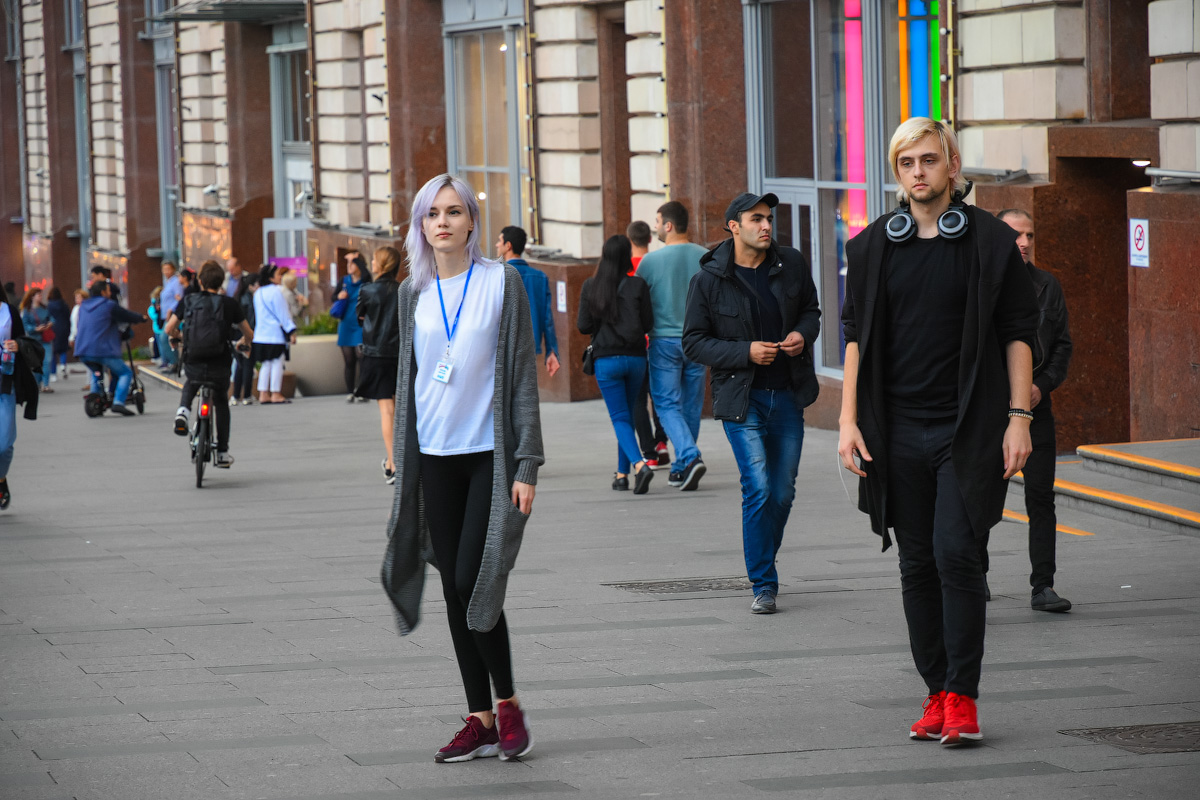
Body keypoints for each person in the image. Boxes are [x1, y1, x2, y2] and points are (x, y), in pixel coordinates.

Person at [837, 117, 1038, 747]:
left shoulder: (989, 243)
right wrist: (846, 419)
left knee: (957, 553)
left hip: (968, 430)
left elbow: (1017, 333)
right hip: (895, 431)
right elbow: (854, 339)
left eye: (929, 159)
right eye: (906, 163)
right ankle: (936, 691)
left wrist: (1019, 418)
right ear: (897, 174)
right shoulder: (872, 248)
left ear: (952, 164)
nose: (918, 172)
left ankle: (964, 695)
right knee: (917, 563)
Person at [380, 173, 542, 764]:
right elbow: (408, 381)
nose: (442, 222)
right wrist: (400, 456)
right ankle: (479, 717)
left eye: (454, 211)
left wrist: (527, 463)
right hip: (435, 460)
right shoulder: (412, 294)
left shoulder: (504, 284)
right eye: (431, 213)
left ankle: (510, 705)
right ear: (420, 226)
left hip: (489, 459)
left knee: (477, 578)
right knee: (452, 586)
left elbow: (522, 377)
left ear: (474, 222)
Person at [683, 192, 821, 614]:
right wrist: (745, 352)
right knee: (758, 487)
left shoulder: (791, 263)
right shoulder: (708, 279)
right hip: (742, 400)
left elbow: (812, 312)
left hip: (789, 394)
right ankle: (764, 582)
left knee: (781, 492)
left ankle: (764, 556)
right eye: (756, 219)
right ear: (733, 225)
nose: (766, 226)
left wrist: (802, 335)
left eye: (769, 219)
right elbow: (693, 342)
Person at [978, 209, 1073, 612]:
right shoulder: (981, 282)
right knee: (978, 494)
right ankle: (973, 574)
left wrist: (1040, 385)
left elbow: (1063, 346)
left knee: (1040, 498)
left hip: (1037, 409)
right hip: (988, 410)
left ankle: (1043, 586)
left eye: (1030, 234)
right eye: (1017, 234)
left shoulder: (1046, 285)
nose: (1025, 242)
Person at [637, 200, 709, 490]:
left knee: (667, 403)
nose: (655, 228)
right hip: (699, 340)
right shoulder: (705, 258)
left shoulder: (650, 262)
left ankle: (690, 456)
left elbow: (638, 302)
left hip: (663, 341)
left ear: (668, 225)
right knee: (691, 403)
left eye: (657, 222)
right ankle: (681, 467)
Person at [578, 235, 655, 493]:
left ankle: (639, 465)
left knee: (620, 417)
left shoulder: (591, 286)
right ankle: (622, 475)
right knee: (627, 416)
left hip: (607, 361)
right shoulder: (638, 285)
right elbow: (648, 324)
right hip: (635, 359)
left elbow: (583, 326)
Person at [164, 261, 253, 467]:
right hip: (219, 361)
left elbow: (169, 328)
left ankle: (183, 412)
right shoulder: (229, 304)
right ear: (221, 281)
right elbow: (248, 333)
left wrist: (180, 336)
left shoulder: (188, 300)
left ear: (201, 282)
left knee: (192, 381)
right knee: (221, 399)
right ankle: (222, 453)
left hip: (194, 356)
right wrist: (243, 343)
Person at [356, 246, 403, 485]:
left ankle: (393, 463)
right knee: (399, 408)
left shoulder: (367, 290)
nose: (371, 262)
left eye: (374, 259)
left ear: (381, 264)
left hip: (376, 355)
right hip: (401, 355)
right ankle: (398, 460)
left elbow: (360, 316)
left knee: (386, 409)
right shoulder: (406, 290)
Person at [74, 281, 151, 416]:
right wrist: (142, 318)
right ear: (103, 292)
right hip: (102, 350)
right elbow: (127, 316)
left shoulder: (83, 306)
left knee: (96, 373)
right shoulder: (108, 305)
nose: (110, 293)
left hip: (83, 350)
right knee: (125, 373)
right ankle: (118, 402)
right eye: (108, 291)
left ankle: (96, 397)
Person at [626, 219, 668, 466]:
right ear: (650, 239)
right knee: (661, 396)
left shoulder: (625, 271)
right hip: (660, 338)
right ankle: (662, 443)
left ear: (629, 240)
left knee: (637, 400)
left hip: (635, 344)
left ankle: (648, 453)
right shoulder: (657, 264)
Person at [497, 226, 560, 378]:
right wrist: (552, 351)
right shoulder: (540, 277)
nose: (497, 245)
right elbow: (547, 318)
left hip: (502, 346)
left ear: (508, 245)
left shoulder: (497, 275)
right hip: (530, 344)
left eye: (500, 241)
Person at [0, 282, 42, 509]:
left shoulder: (9, 311)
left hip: (4, 383)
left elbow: (23, 339)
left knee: (4, 444)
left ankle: (1, 478)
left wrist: (16, 344)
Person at [252, 265, 297, 404]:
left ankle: (263, 393)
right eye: (277, 274)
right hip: (275, 335)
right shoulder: (276, 292)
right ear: (271, 277)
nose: (280, 277)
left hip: (260, 335)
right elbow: (283, 314)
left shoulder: (258, 293)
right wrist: (291, 331)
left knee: (266, 364)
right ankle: (276, 393)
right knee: (277, 363)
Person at [337, 252, 370, 401]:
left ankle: (362, 391)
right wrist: (339, 297)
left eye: (352, 263)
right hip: (346, 324)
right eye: (348, 263)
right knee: (349, 360)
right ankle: (350, 392)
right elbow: (333, 297)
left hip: (360, 324)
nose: (349, 266)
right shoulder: (344, 281)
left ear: (359, 265)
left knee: (362, 357)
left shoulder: (366, 281)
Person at [231, 273, 259, 405]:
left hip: (235, 335)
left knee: (239, 365)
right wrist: (250, 334)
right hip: (246, 334)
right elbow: (251, 319)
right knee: (248, 364)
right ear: (251, 286)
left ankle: (235, 396)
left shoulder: (237, 298)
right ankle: (247, 395)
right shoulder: (250, 299)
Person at [18, 288, 54, 392]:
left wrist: (50, 323)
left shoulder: (44, 308)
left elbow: (51, 318)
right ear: (32, 297)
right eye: (38, 295)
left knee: (47, 361)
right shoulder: (27, 310)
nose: (40, 297)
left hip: (45, 338)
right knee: (36, 362)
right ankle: (36, 383)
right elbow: (24, 325)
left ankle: (46, 384)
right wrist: (35, 328)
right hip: (33, 339)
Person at [46, 287, 71, 381]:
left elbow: (47, 317)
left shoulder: (49, 305)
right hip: (64, 328)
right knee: (63, 349)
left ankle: (53, 373)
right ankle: (63, 365)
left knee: (53, 351)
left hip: (53, 328)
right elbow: (68, 316)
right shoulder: (64, 304)